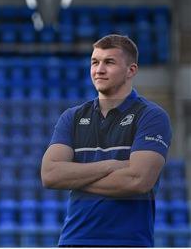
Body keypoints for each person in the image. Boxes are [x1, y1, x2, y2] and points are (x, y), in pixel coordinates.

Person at [41, 34, 172, 247]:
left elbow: (138, 181)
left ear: (131, 70)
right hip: (73, 241)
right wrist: (111, 165)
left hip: (129, 242)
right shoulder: (72, 117)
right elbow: (50, 175)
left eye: (109, 62)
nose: (99, 69)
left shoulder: (152, 116)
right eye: (95, 62)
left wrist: (75, 178)